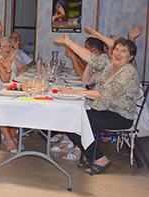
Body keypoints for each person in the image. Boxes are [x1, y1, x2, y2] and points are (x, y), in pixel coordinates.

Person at [54, 34, 139, 175]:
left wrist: (78, 93)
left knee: (76, 122)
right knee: (69, 119)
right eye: (117, 49)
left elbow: (105, 95)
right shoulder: (110, 65)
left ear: (130, 57)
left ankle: (100, 159)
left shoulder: (128, 72)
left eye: (123, 51)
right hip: (103, 110)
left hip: (119, 116)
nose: (118, 53)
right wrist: (69, 42)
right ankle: (93, 156)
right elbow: (89, 57)